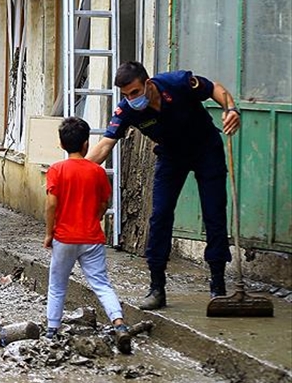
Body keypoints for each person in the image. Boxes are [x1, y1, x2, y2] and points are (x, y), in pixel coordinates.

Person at [87, 62, 240, 311]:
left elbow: (215, 88)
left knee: (214, 215)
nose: (131, 99)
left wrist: (231, 108)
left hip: (206, 151)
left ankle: (218, 286)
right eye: (125, 95)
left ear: (148, 84)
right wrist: (75, 171)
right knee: (160, 216)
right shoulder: (127, 110)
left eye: (135, 92)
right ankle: (157, 287)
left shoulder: (178, 82)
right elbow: (105, 146)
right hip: (171, 157)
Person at [45, 117, 132, 352]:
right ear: (86, 144)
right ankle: (119, 324)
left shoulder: (56, 170)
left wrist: (48, 233)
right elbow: (104, 204)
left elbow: (52, 204)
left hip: (64, 238)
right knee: (102, 284)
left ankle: (52, 330)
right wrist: (94, 217)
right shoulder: (97, 172)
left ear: (62, 144)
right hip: (92, 238)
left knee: (57, 285)